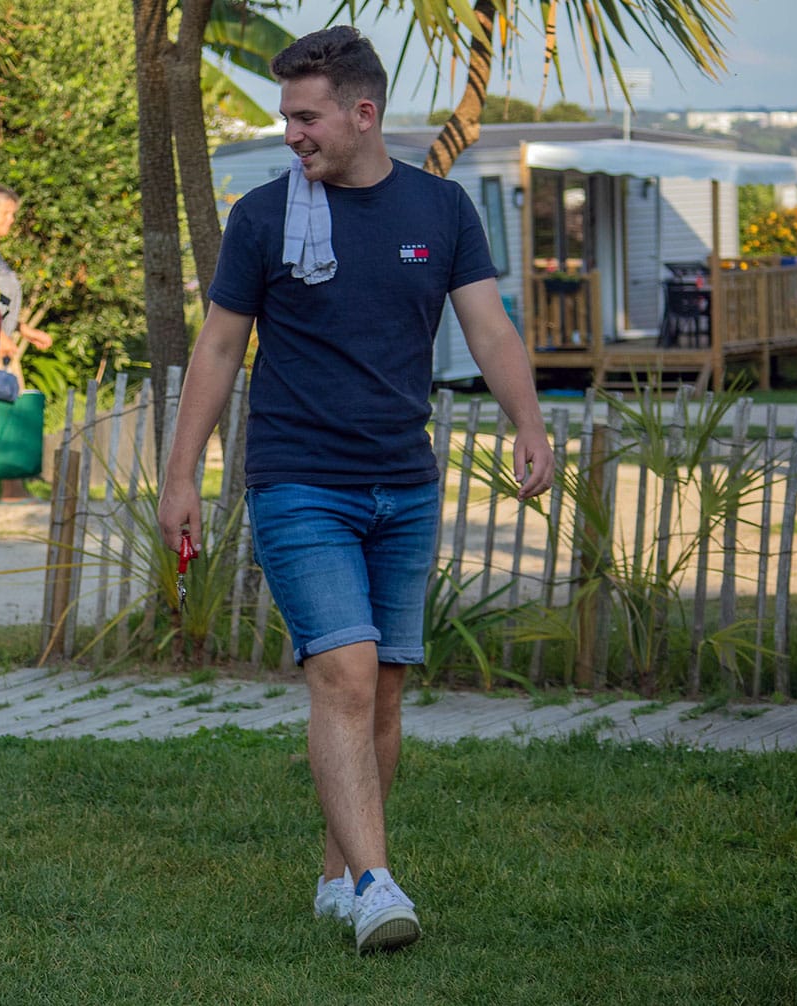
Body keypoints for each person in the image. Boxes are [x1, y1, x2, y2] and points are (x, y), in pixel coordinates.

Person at [154, 27, 555, 955]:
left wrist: (530, 425)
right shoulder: (262, 218)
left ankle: (338, 873)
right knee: (343, 672)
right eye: (286, 115)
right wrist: (182, 476)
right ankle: (377, 886)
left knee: (382, 695)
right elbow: (218, 349)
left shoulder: (443, 210)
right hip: (299, 479)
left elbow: (491, 332)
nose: (291, 133)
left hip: (403, 485)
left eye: (306, 115)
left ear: (363, 113)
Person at [0, 185, 53, 500]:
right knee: (1, 411)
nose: (11, 220)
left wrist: (23, 329)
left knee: (8, 410)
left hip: (1, 342)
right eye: (6, 213)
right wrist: (0, 335)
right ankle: (7, 484)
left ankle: (12, 485)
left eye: (13, 214)